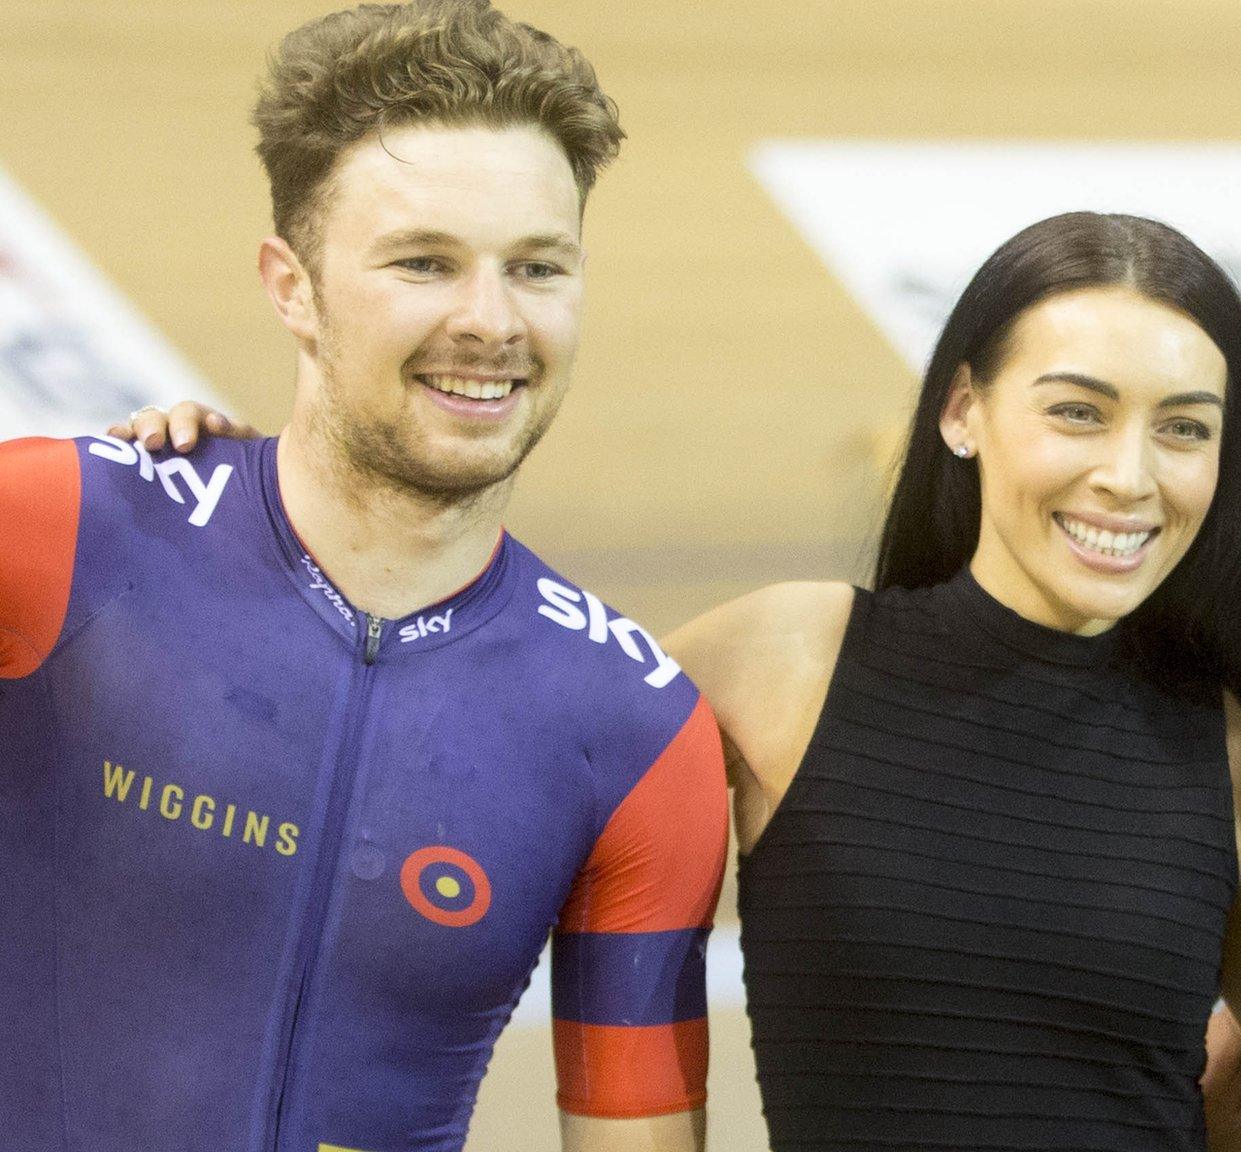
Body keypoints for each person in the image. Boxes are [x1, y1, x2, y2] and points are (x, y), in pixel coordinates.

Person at [121, 211, 1241, 1150]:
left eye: (1186, 431)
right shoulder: (785, 657)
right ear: (964, 412)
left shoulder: (1237, 748)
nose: (1130, 476)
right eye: (1077, 411)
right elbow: (454, 724)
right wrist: (242, 511)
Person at [0, 3, 726, 1150]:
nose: (489, 321)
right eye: (423, 263)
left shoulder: (634, 735)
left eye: (535, 267)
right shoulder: (52, 529)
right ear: (291, 286)